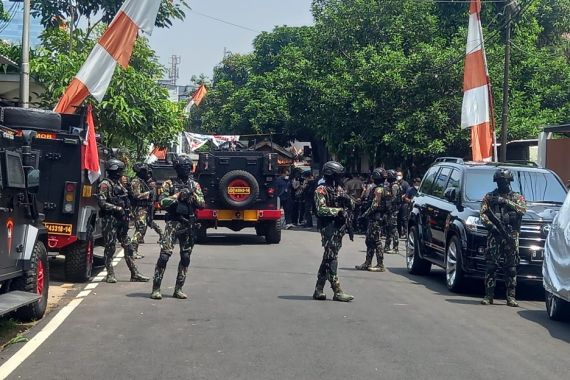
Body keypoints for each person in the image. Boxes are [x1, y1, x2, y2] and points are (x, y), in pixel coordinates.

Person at [150, 154, 205, 300]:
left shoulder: (195, 185)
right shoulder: (169, 184)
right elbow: (161, 203)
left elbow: (202, 204)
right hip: (173, 223)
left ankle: (178, 289)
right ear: (177, 168)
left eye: (188, 167)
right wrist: (178, 195)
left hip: (189, 223)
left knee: (185, 257)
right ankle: (156, 288)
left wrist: (191, 195)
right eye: (182, 167)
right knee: (164, 256)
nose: (186, 170)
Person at [480, 168, 527, 307]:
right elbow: (482, 213)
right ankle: (488, 296)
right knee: (490, 266)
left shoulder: (517, 197)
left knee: (511, 268)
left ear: (509, 181)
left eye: (504, 181)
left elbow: (523, 210)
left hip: (511, 235)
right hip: (494, 236)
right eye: (500, 181)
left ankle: (511, 297)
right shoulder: (489, 197)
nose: (502, 184)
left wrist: (506, 202)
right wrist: (490, 226)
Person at [97, 158, 149, 283]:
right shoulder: (105, 184)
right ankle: (110, 274)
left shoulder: (119, 184)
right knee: (110, 248)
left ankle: (134, 273)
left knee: (129, 247)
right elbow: (101, 202)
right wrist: (116, 208)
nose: (121, 173)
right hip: (110, 219)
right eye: (120, 171)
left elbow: (128, 198)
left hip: (121, 220)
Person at [312, 161, 354, 302]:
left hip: (339, 228)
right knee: (332, 258)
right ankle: (337, 290)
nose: (341, 178)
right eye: (338, 175)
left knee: (328, 258)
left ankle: (318, 289)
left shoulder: (339, 189)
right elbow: (320, 209)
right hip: (328, 227)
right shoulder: (321, 190)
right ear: (331, 175)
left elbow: (353, 205)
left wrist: (347, 199)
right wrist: (339, 211)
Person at [356, 168, 387, 272]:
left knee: (376, 241)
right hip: (374, 218)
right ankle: (367, 263)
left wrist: (364, 215)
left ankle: (380, 264)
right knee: (369, 241)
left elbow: (374, 205)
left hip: (376, 219)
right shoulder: (380, 188)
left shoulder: (379, 189)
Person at [130, 163, 154, 259]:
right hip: (139, 208)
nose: (147, 173)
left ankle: (134, 250)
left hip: (144, 208)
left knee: (142, 229)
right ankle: (132, 250)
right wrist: (148, 193)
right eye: (144, 171)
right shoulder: (136, 181)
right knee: (140, 229)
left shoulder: (142, 181)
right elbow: (136, 195)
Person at [383, 170, 402, 254]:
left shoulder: (394, 186)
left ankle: (395, 247)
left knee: (393, 228)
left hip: (393, 210)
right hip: (390, 209)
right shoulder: (393, 185)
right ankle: (387, 246)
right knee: (388, 228)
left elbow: (394, 198)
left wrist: (387, 198)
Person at [396, 170, 410, 237]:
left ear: (402, 176)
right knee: (397, 219)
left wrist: (404, 196)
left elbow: (408, 192)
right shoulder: (395, 183)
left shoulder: (405, 184)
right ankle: (399, 233)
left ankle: (406, 232)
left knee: (404, 218)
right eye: (397, 175)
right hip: (397, 203)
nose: (398, 177)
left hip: (404, 203)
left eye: (399, 175)